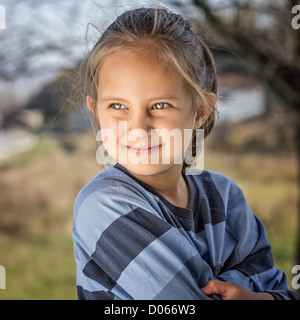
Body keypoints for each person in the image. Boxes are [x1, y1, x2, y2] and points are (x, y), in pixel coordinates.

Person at [72, 7, 299, 300]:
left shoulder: (226, 197)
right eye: (118, 106)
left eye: (160, 105)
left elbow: (278, 289)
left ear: (201, 110)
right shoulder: (103, 206)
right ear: (95, 110)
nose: (138, 127)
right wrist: (243, 285)